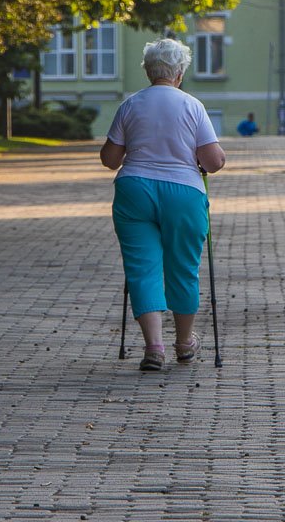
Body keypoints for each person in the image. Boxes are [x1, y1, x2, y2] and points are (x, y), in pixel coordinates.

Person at [100, 39, 227, 371]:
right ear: (180, 73)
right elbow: (212, 162)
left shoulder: (130, 105)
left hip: (134, 191)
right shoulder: (192, 106)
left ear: (148, 71)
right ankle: (184, 343)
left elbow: (110, 160)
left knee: (142, 269)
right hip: (183, 194)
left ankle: (153, 347)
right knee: (182, 268)